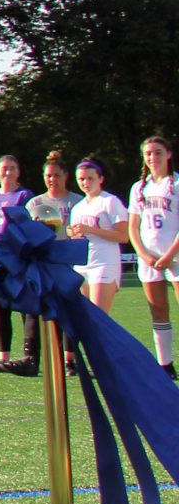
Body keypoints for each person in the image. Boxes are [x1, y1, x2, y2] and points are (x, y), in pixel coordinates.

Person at [0, 155, 36, 376]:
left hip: (16, 261)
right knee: (1, 309)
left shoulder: (24, 196)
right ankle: (4, 357)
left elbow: (26, 229)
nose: (8, 173)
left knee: (23, 307)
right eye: (4, 169)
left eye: (12, 168)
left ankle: (29, 356)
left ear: (18, 172)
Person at [129, 135, 179, 378]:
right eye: (148, 154)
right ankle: (165, 365)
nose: (153, 158)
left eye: (158, 152)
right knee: (158, 311)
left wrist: (170, 254)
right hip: (149, 258)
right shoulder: (139, 188)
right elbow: (133, 226)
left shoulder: (177, 184)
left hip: (176, 256)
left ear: (168, 154)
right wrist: (142, 253)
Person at [65, 157, 128, 315]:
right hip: (83, 265)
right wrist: (73, 233)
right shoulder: (78, 207)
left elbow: (123, 236)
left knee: (98, 318)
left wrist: (91, 229)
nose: (85, 182)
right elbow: (79, 238)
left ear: (100, 178)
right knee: (86, 318)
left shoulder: (110, 201)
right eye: (81, 179)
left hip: (104, 263)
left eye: (90, 178)